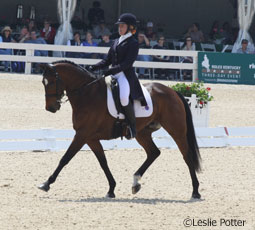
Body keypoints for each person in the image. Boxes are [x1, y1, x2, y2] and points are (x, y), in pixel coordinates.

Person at [87, 13, 147, 139]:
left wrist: (110, 71)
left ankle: (132, 126)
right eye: (119, 26)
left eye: (122, 26)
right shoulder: (116, 41)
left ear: (130, 27)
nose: (120, 28)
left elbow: (127, 63)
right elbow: (107, 60)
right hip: (113, 74)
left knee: (124, 98)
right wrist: (94, 66)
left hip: (125, 75)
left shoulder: (133, 43)